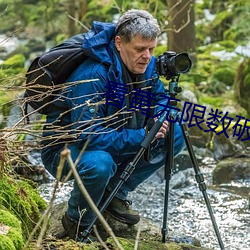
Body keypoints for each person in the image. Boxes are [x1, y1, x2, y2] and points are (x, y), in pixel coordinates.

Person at [41, 9, 185, 241]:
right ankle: (76, 221)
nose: (147, 56)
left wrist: (161, 115)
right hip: (66, 150)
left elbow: (160, 98)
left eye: (152, 49)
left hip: (117, 135)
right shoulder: (92, 75)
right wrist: (142, 135)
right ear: (119, 43)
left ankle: (115, 193)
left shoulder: (145, 65)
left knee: (175, 132)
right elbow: (87, 136)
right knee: (100, 164)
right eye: (140, 49)